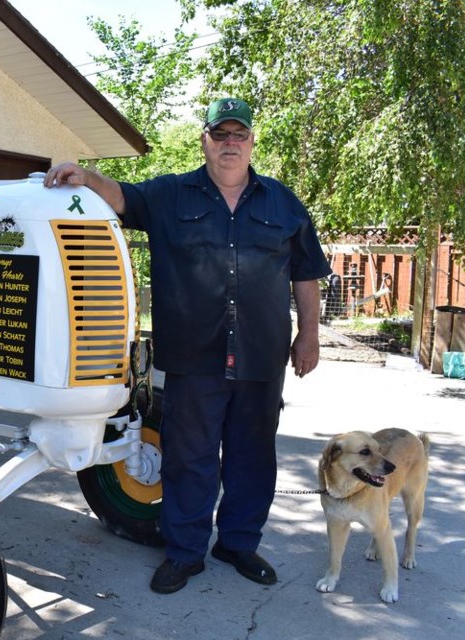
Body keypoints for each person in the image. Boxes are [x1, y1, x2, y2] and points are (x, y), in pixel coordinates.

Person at [44, 98, 331, 594]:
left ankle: (238, 543)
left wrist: (309, 334)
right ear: (205, 140)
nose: (230, 144)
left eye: (239, 135)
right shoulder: (172, 195)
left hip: (262, 358)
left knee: (253, 455)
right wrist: (86, 176)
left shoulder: (283, 203)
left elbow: (306, 273)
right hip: (194, 357)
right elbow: (122, 198)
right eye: (221, 135)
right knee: (188, 456)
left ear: (252, 142)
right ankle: (184, 552)